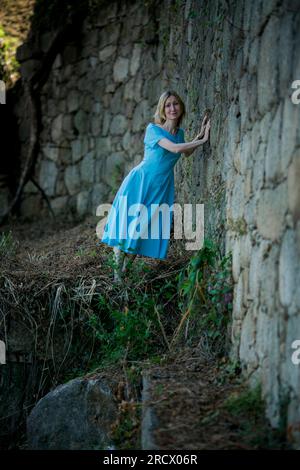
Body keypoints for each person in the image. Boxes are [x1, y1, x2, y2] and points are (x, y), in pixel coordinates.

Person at [100, 90, 211, 282]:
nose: (172, 108)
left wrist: (199, 135)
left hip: (161, 188)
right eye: (168, 105)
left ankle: (124, 272)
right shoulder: (153, 129)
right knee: (127, 227)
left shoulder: (180, 134)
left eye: (175, 104)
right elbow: (175, 149)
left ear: (181, 107)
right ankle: (117, 277)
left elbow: (187, 152)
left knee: (143, 230)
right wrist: (203, 140)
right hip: (141, 182)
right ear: (162, 109)